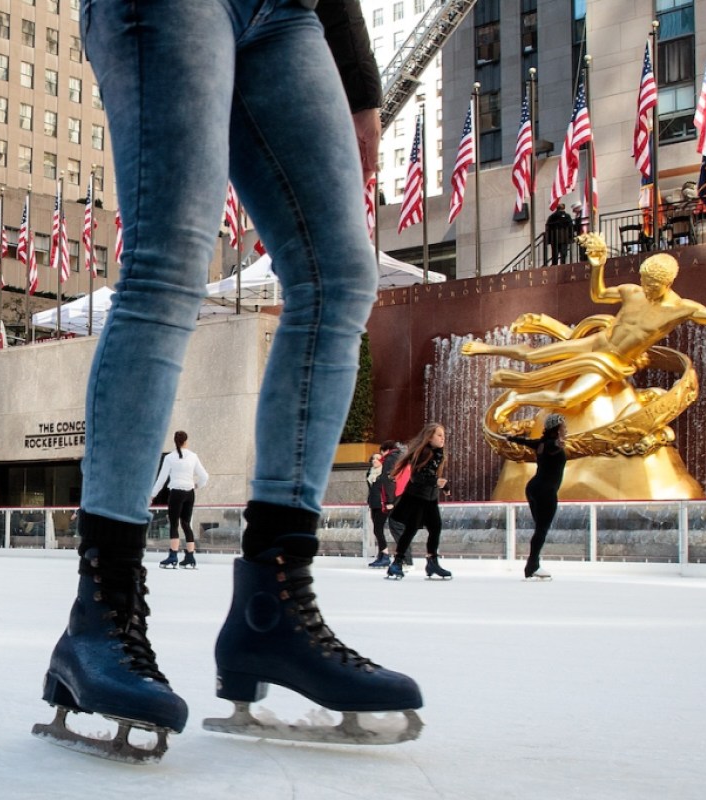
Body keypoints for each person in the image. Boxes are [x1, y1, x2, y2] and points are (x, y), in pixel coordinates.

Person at [34, 0, 422, 762]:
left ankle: (274, 606)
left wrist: (359, 81)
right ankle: (101, 615)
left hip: (286, 13)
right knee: (168, 263)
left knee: (340, 276)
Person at [461, 232, 706, 423]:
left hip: (614, 362)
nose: (645, 286)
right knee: (536, 357)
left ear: (668, 282)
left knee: (565, 401)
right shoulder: (633, 291)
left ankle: (516, 399)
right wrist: (597, 266)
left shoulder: (681, 309)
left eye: (652, 283)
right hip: (598, 342)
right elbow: (598, 294)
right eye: (644, 279)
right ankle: (487, 349)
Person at [385, 424, 451, 581]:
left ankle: (432, 561)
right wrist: (437, 482)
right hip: (417, 497)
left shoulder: (437, 453)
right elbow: (417, 477)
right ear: (429, 437)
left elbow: (431, 476)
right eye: (439, 435)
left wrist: (442, 485)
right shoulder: (424, 453)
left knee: (435, 527)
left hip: (430, 497)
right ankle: (397, 562)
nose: (443, 438)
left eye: (443, 435)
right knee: (411, 529)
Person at [506, 414, 568, 581]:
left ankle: (533, 565)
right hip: (545, 491)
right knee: (541, 529)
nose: (566, 428)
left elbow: (526, 442)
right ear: (556, 428)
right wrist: (557, 443)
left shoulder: (540, 443)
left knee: (539, 530)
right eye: (563, 426)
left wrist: (512, 438)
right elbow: (551, 446)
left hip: (533, 488)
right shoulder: (551, 444)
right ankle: (532, 566)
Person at [152, 431, 209, 569]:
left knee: (174, 524)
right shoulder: (193, 456)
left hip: (176, 493)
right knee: (186, 524)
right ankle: (190, 556)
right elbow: (204, 476)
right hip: (189, 493)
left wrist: (153, 495)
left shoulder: (170, 458)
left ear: (175, 441)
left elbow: (162, 479)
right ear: (186, 441)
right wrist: (197, 485)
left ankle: (173, 556)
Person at [365, 440, 400, 568]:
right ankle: (381, 554)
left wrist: (390, 502)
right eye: (373, 458)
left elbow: (390, 486)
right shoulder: (370, 473)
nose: (374, 460)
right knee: (376, 529)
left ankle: (385, 555)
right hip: (373, 504)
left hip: (382, 504)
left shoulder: (384, 473)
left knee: (378, 529)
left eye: (378, 458)